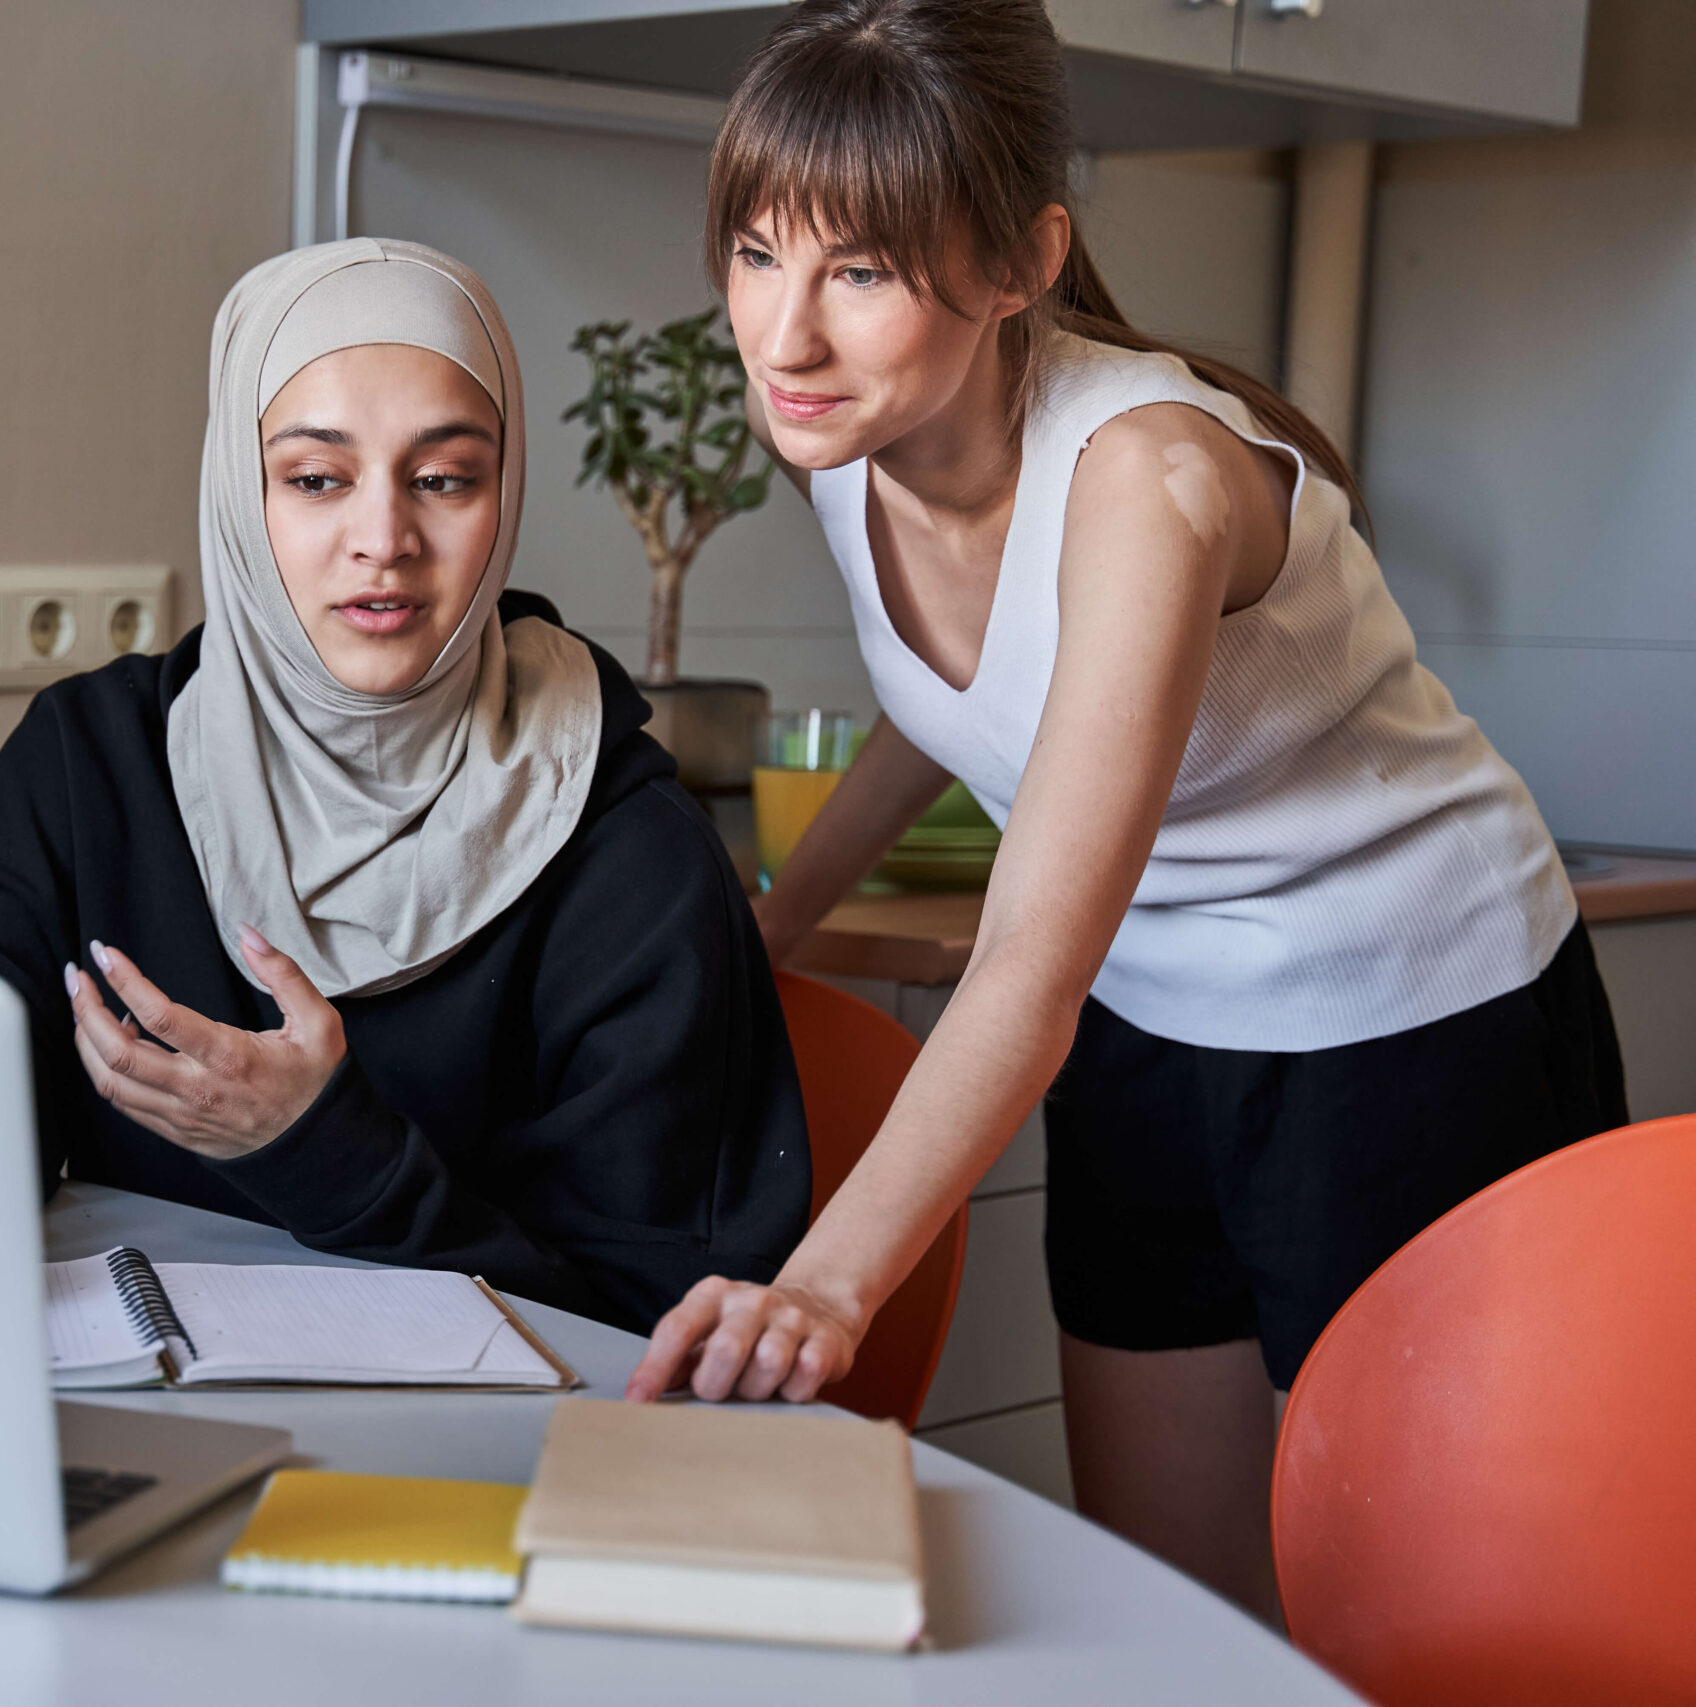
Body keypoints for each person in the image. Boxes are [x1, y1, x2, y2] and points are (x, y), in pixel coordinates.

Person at [625, 0, 1626, 1620]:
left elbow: (1024, 959)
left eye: (863, 271)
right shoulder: (846, 447)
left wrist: (826, 1287)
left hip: (1413, 1019)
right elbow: (944, 700)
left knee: (1425, 1614)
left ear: (1022, 261)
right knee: (1176, 1597)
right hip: (1152, 1021)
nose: (784, 334)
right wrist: (771, 930)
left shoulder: (1147, 478)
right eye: (756, 252)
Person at [0, 238, 810, 1334]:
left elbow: (650, 1326)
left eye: (444, 479)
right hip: (148, 1432)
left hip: (488, 1477)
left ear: (503, 497)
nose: (384, 541)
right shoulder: (94, 766)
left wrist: (320, 1149)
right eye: (316, 480)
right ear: (240, 491)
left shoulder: (627, 849)